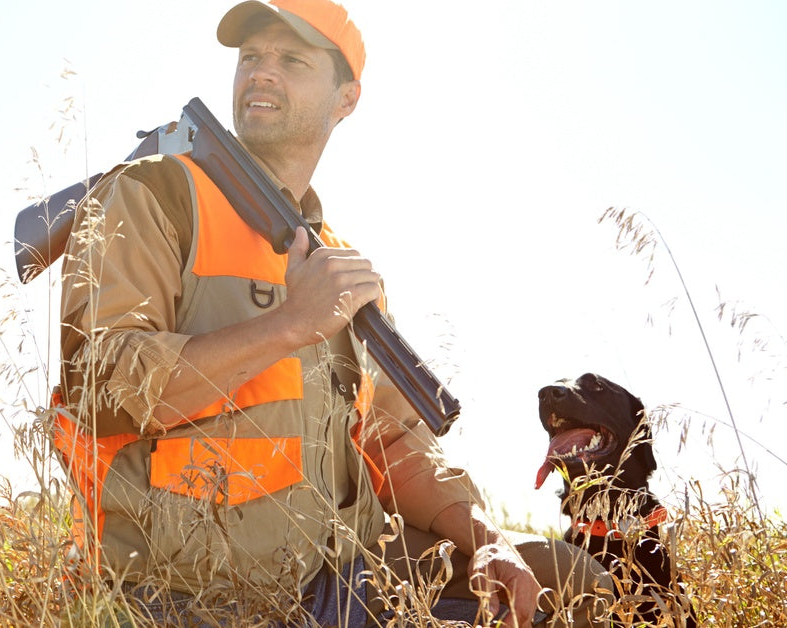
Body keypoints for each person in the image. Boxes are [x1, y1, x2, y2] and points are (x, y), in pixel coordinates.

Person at [54, 0, 613, 625]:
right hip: (191, 586)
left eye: (291, 59)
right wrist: (290, 324)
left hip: (342, 575)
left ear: (345, 99)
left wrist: (484, 536)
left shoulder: (337, 264)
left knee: (569, 581)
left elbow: (394, 440)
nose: (261, 73)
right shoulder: (155, 195)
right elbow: (101, 386)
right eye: (251, 58)